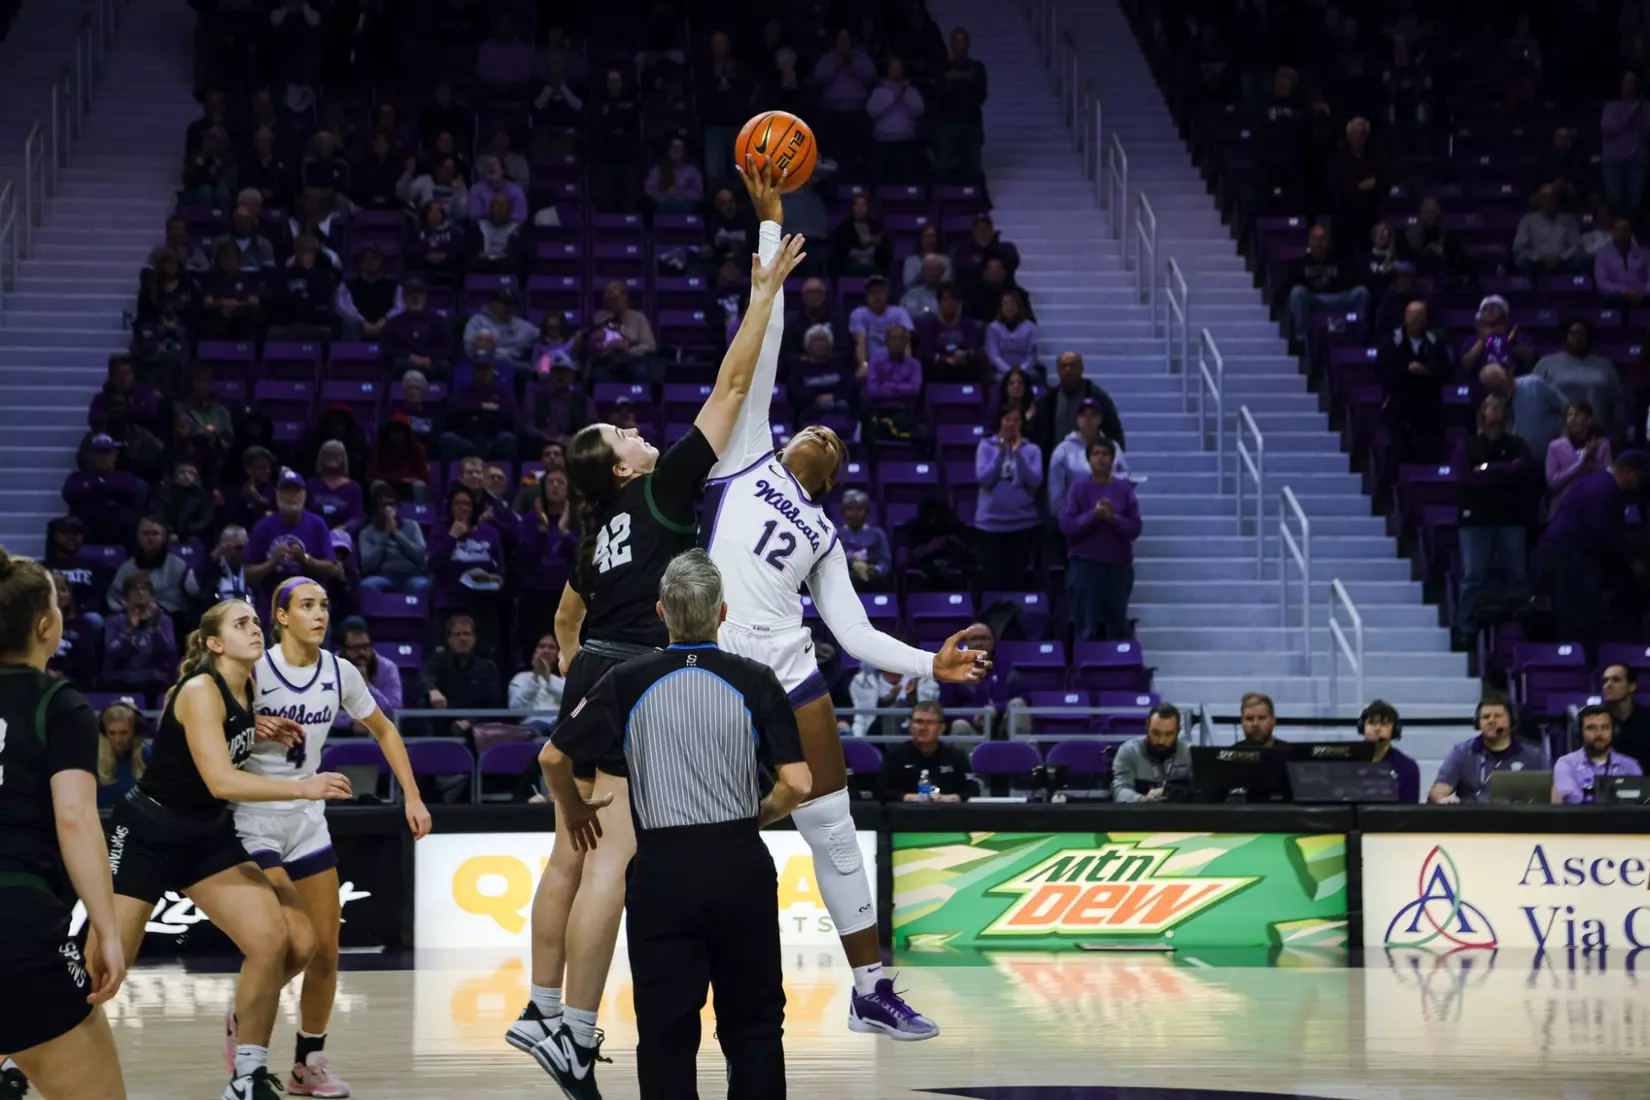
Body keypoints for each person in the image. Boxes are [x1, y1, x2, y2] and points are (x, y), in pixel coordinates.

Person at [505, 164, 808, 1092]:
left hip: (592, 659)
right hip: (632, 668)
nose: (637, 430)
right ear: (629, 469)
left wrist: (566, 660)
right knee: (616, 856)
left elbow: (565, 612)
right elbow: (732, 382)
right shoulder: (665, 491)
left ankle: (542, 1006)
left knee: (571, 850)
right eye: (623, 432)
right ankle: (579, 1028)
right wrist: (763, 290)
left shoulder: (594, 526)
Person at [702, 173, 988, 1045]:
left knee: (834, 825)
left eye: (833, 443)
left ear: (834, 482)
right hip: (718, 660)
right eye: (813, 429)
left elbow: (856, 634)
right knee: (706, 811)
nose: (821, 433)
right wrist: (770, 240)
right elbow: (768, 353)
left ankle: (871, 986)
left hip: (790, 664)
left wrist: (927, 668)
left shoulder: (825, 534)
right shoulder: (745, 458)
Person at [539, 549, 812, 1100]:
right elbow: (800, 784)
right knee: (755, 1026)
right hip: (739, 865)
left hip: (662, 872)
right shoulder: (755, 679)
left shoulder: (626, 680)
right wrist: (753, 816)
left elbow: (552, 758)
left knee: (665, 1034)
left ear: (661, 613)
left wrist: (572, 809)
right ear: (723, 613)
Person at [97, 598, 351, 1100]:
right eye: (242, 624)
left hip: (204, 836)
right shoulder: (198, 689)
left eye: (256, 622)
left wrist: (255, 729)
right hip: (149, 832)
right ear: (215, 644)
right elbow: (218, 779)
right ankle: (14, 1052)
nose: (255, 629)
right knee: (107, 966)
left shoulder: (248, 685)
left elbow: (221, 744)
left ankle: (247, 1076)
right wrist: (303, 786)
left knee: (294, 942)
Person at [239, 579, 430, 1096]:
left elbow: (385, 729)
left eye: (323, 605)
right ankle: (247, 1016)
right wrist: (253, 725)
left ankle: (308, 1062)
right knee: (291, 943)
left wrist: (412, 796)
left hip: (307, 821)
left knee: (326, 952)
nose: (319, 614)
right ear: (280, 616)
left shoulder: (339, 671)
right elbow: (204, 727)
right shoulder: (255, 669)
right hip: (251, 819)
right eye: (306, 606)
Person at [0, 549, 130, 1100]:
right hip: (17, 924)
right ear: (45, 625)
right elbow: (75, 820)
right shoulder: (58, 702)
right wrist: (107, 930)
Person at [1450, 397, 1532, 646]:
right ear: (1482, 413)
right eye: (1492, 407)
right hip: (1475, 519)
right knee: (1473, 575)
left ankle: (1518, 625)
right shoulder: (1468, 444)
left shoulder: (1518, 445)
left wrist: (1486, 469)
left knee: (1518, 574)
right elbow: (1465, 478)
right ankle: (1464, 626)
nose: (1496, 413)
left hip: (1510, 518)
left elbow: (1522, 472)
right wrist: (1503, 470)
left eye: (1501, 408)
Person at [245, 470, 343, 618]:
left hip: (311, 606)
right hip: (273, 606)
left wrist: (304, 559)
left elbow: (331, 569)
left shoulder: (317, 524)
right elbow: (247, 574)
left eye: (296, 491)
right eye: (286, 491)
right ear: (277, 494)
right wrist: (272, 562)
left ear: (304, 494)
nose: (291, 496)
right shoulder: (263, 526)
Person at [973, 405, 1043, 590]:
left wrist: (1018, 453)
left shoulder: (1032, 449)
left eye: (1016, 420)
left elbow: (1035, 481)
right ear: (1000, 422)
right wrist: (1001, 452)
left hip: (1023, 524)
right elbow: (984, 480)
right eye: (1008, 420)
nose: (1012, 424)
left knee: (1019, 582)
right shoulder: (986, 447)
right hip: (991, 525)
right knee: (994, 582)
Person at [1428, 696, 1546, 803]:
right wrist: (1443, 799)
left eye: (1498, 716)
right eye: (1485, 717)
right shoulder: (1463, 751)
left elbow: (1551, 794)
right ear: (1478, 723)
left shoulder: (1534, 755)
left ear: (1512, 721)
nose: (1491, 721)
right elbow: (1439, 789)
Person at [879, 700, 972, 801]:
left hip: (945, 813)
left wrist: (954, 798)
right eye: (918, 721)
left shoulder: (956, 757)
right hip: (906, 813)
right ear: (910, 726)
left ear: (942, 728)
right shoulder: (895, 755)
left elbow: (972, 790)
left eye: (930, 722)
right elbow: (881, 791)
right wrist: (909, 797)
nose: (923, 728)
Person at [1553, 704, 1643, 804]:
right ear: (1579, 732)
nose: (1599, 733)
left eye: (1605, 727)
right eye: (1591, 728)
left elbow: (1638, 803)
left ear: (1613, 732)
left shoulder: (1630, 766)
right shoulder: (1566, 764)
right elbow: (1571, 799)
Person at [1111, 703, 1192, 802]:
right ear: (1147, 727)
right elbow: (1120, 791)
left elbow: (1199, 791)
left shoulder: (1190, 753)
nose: (1161, 741)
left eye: (1169, 734)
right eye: (1156, 733)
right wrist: (1143, 799)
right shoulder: (1129, 751)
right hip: (1139, 814)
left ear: (1178, 731)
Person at [1547, 401, 1613, 512]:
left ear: (1588, 420)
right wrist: (1581, 463)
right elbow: (1553, 482)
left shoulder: (1602, 445)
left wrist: (1592, 459)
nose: (1572, 419)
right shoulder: (1555, 446)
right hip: (1564, 504)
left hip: (1593, 503)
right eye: (1569, 415)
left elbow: (1606, 477)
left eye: (1577, 415)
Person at [1360, 700, 1419, 803]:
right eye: (1372, 722)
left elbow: (1410, 812)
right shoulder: (1346, 762)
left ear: (1394, 729)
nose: (1377, 728)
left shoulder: (1408, 767)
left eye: (1384, 723)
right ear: (1362, 726)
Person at [97, 699, 147, 810]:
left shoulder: (148, 756)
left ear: (135, 731)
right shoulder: (92, 759)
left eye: (123, 732)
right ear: (104, 732)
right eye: (112, 733)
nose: (118, 739)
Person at [837, 489, 892, 590]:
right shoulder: (835, 535)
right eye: (850, 509)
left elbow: (885, 562)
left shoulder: (877, 534)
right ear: (843, 512)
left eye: (859, 509)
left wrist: (875, 570)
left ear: (867, 512)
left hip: (872, 578)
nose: (855, 514)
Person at [509, 633, 565, 725]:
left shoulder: (566, 679)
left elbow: (574, 701)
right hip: (531, 729)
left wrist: (547, 677)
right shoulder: (520, 678)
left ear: (558, 654)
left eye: (551, 647)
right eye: (541, 646)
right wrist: (535, 678)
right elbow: (516, 710)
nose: (546, 650)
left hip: (560, 728)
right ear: (534, 652)